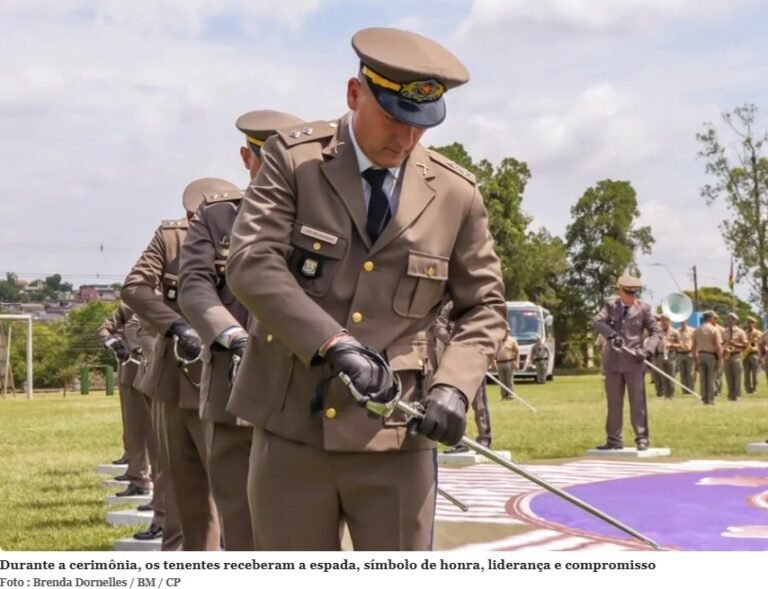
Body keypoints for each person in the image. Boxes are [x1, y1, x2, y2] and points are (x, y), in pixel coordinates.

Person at [224, 26, 507, 550]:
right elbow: (250, 263)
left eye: (420, 126)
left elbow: (485, 307)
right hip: (293, 433)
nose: (405, 138)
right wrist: (335, 343)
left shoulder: (455, 194)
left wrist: (454, 385)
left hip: (397, 440)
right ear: (355, 94)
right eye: (394, 118)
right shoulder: (294, 162)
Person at [178, 110, 303, 551]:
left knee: (303, 530)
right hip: (232, 392)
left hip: (301, 394)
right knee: (242, 530)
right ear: (245, 158)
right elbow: (193, 286)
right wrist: (230, 335)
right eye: (262, 159)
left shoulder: (321, 217)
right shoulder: (216, 218)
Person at [122, 179, 225, 551]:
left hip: (228, 375)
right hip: (175, 378)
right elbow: (134, 288)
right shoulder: (170, 238)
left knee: (234, 485)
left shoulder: (249, 227)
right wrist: (176, 325)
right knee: (183, 484)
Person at [593, 273, 661, 451]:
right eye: (629, 293)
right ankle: (614, 440)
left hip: (634, 361)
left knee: (638, 402)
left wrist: (647, 350)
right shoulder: (610, 305)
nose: (633, 297)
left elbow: (656, 333)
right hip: (613, 361)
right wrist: (612, 335)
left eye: (635, 294)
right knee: (614, 403)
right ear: (620, 291)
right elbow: (598, 321)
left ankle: (641, 438)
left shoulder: (643, 309)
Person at [96, 303, 153, 497]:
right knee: (135, 428)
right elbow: (106, 328)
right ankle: (139, 476)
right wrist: (112, 341)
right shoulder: (129, 306)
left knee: (159, 432)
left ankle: (147, 479)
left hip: (158, 370)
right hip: (132, 369)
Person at [435, 299, 492, 452]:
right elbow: (439, 327)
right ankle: (460, 441)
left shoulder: (479, 307)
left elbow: (488, 333)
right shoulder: (450, 306)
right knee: (456, 404)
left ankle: (484, 440)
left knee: (480, 405)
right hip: (454, 362)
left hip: (474, 359)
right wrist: (452, 342)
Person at [692, 310, 723, 405]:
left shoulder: (697, 330)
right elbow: (718, 346)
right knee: (711, 378)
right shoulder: (714, 330)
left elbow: (693, 347)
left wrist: (695, 359)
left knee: (703, 379)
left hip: (700, 355)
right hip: (711, 356)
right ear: (709, 318)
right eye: (714, 318)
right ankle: (710, 399)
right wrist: (720, 359)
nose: (715, 320)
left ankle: (704, 398)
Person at [722, 312, 747, 401]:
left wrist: (735, 344)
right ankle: (730, 395)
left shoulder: (741, 332)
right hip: (727, 355)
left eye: (732, 319)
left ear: (736, 321)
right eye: (729, 318)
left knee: (737, 376)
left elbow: (745, 345)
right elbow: (721, 343)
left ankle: (737, 395)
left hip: (736, 355)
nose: (730, 320)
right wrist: (724, 348)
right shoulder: (724, 331)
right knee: (728, 376)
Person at [657, 313, 680, 399]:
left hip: (670, 355)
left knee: (671, 376)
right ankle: (665, 395)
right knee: (663, 376)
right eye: (661, 320)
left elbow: (680, 345)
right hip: (660, 355)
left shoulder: (674, 332)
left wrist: (671, 345)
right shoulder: (658, 332)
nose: (662, 322)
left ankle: (671, 395)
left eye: (664, 320)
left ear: (668, 321)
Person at [495, 329, 519, 400]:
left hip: (509, 362)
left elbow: (517, 352)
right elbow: (494, 353)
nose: (505, 333)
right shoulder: (497, 341)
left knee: (509, 379)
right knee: (502, 380)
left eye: (507, 331)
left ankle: (510, 395)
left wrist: (516, 363)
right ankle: (504, 395)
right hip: (499, 362)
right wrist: (493, 362)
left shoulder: (512, 341)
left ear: (508, 332)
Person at [743, 316, 762, 394]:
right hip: (745, 354)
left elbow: (761, 344)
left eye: (752, 322)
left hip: (754, 354)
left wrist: (760, 356)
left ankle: (754, 388)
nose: (750, 324)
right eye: (749, 322)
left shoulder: (758, 333)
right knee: (746, 373)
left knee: (755, 373)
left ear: (755, 324)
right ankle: (748, 389)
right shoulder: (744, 332)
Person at [676, 319, 695, 394]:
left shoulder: (692, 330)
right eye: (681, 322)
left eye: (683, 322)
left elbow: (695, 341)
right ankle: (684, 390)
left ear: (687, 322)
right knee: (682, 373)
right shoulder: (677, 331)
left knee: (690, 373)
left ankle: (690, 389)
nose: (682, 323)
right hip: (680, 353)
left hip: (689, 353)